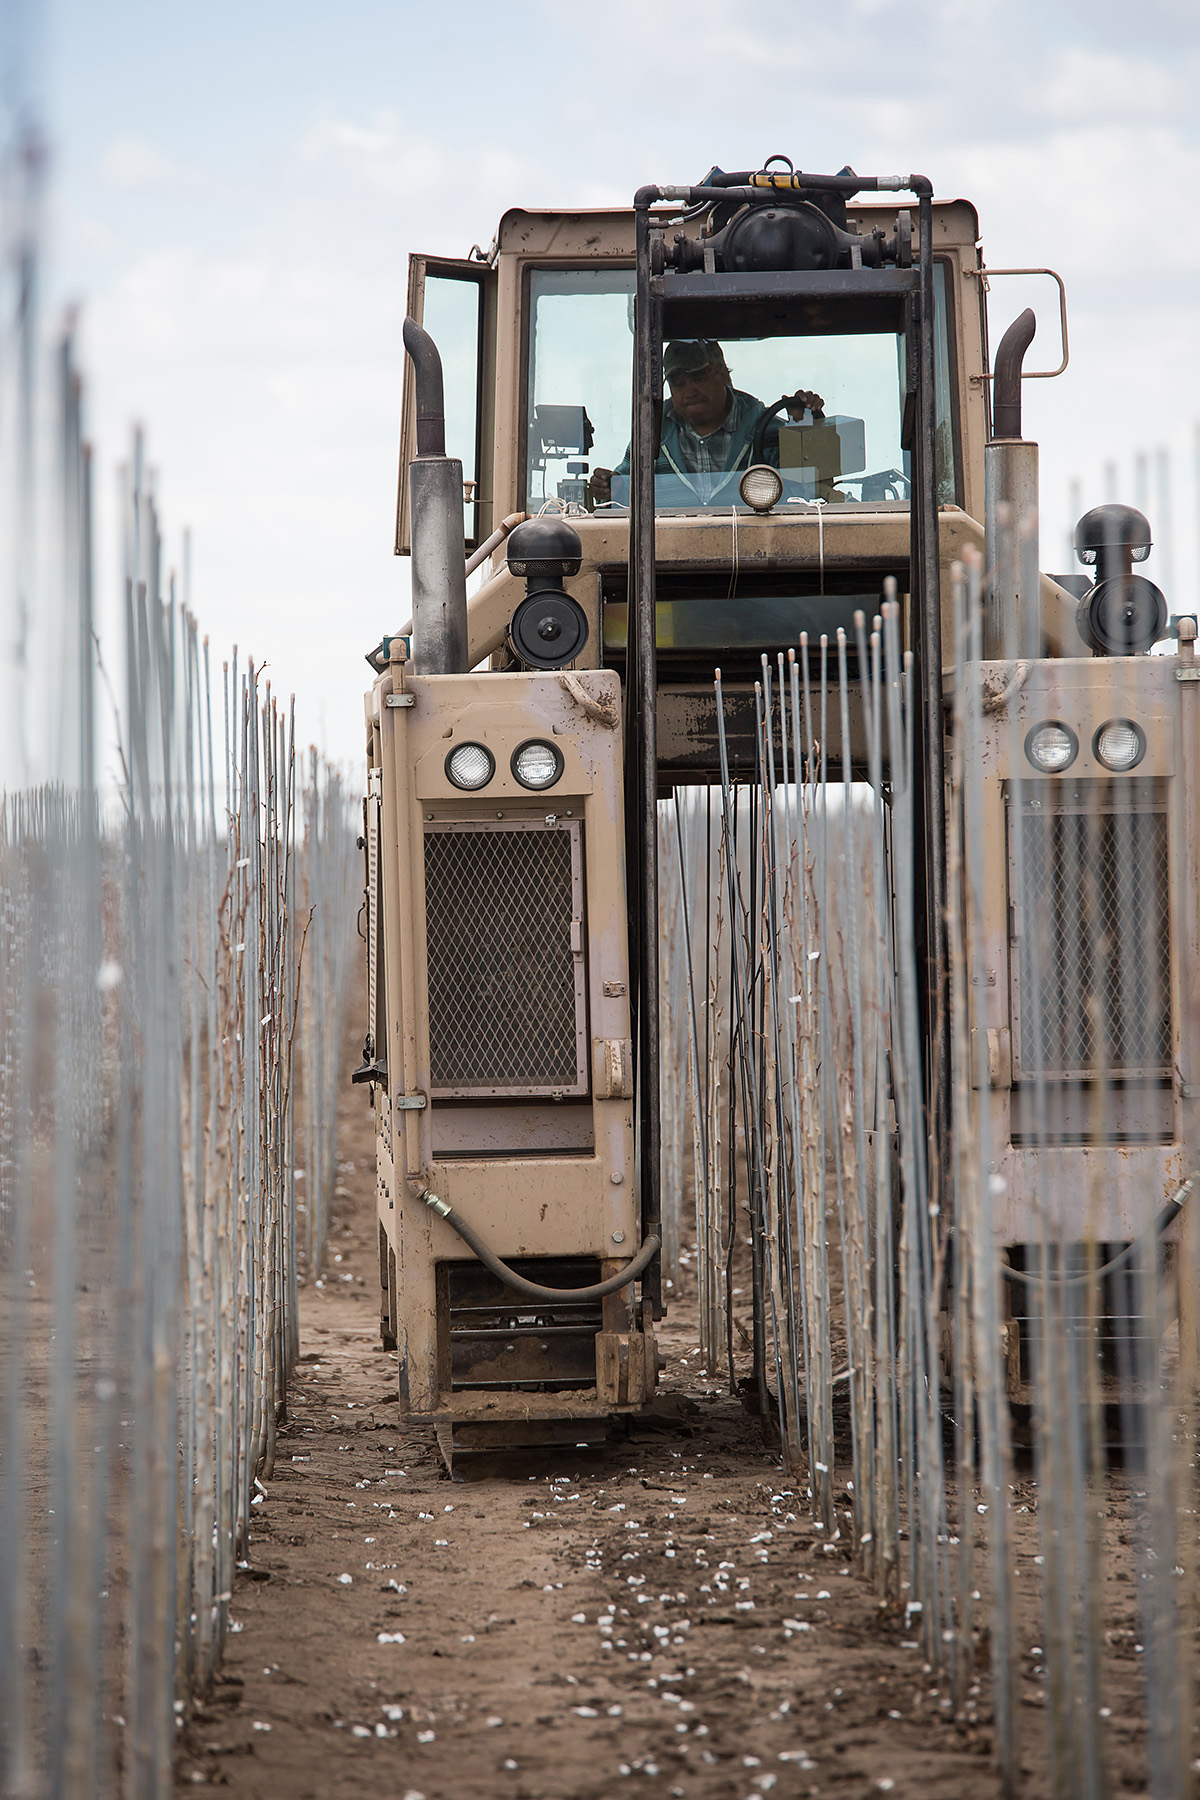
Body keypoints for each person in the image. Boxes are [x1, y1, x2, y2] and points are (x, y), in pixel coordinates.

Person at [589, 339, 825, 508]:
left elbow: (807, 498)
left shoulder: (770, 432)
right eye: (678, 382)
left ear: (722, 374)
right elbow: (621, 495)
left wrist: (806, 428)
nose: (689, 390)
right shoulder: (650, 436)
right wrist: (609, 488)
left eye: (698, 377)